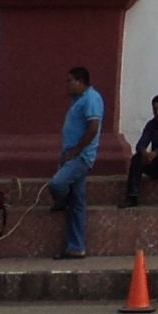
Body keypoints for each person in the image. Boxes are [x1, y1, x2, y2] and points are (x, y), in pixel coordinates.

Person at [49, 66, 103, 257]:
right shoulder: (77, 100)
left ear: (80, 82)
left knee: (57, 184)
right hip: (71, 155)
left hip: (81, 157)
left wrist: (75, 151)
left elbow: (93, 128)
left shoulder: (91, 98)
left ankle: (61, 201)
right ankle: (76, 247)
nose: (67, 85)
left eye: (70, 81)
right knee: (78, 203)